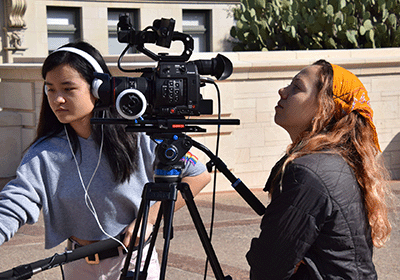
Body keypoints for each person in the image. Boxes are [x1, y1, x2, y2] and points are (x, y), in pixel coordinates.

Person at [0, 41, 211, 279]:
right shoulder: (44, 152)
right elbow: (14, 203)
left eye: (68, 89)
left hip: (133, 262)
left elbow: (198, 175)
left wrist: (148, 219)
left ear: (98, 88)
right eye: (50, 89)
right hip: (77, 265)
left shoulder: (139, 135)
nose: (57, 99)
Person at [246, 60, 392, 279]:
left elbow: (269, 267)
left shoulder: (307, 173)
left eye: (297, 87)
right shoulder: (337, 161)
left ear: (325, 108)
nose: (283, 91)